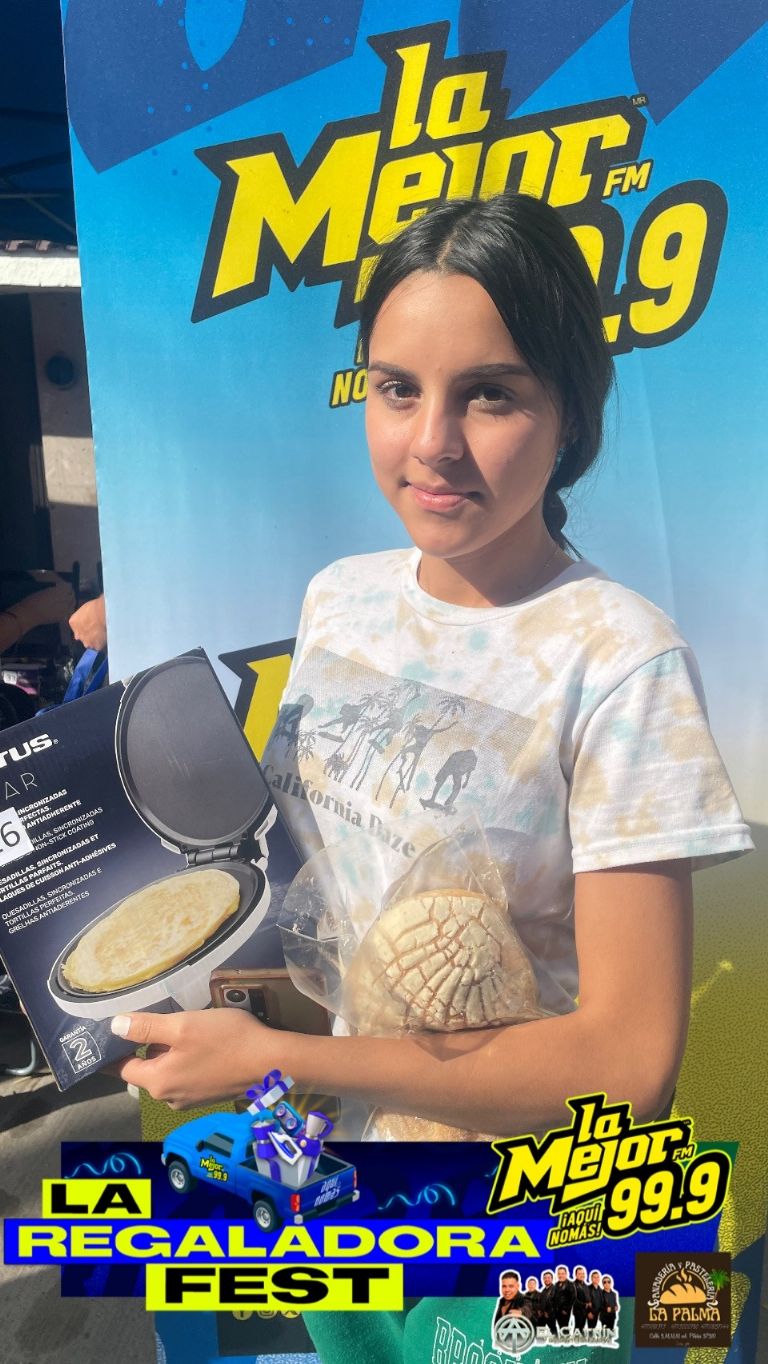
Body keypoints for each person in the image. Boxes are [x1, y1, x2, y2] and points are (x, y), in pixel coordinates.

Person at [110, 191, 752, 1137]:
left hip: (502, 1202)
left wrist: (282, 1060)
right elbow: (316, 896)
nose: (432, 444)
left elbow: (628, 1066)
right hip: (325, 1158)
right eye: (398, 388)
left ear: (571, 414)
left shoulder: (620, 658)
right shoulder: (341, 598)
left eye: (489, 393)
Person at [552, 1264, 576, 1337]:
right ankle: (562, 1340)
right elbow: (553, 1297)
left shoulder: (570, 1284)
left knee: (564, 1327)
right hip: (556, 1311)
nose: (560, 1275)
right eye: (559, 1274)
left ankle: (566, 1341)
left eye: (562, 1273)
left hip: (564, 1311)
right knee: (560, 1327)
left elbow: (573, 1297)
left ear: (566, 1274)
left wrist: (566, 1309)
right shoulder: (556, 1284)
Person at [599, 1275, 619, 1341]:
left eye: (608, 1282)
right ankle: (603, 1342)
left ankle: (609, 1342)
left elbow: (615, 1303)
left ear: (611, 1283)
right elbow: (598, 1306)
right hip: (604, 1317)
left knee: (610, 1332)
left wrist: (616, 1306)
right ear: (602, 1284)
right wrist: (605, 1309)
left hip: (612, 1316)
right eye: (604, 1282)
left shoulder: (614, 1294)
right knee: (604, 1333)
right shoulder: (600, 1294)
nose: (607, 1283)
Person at [586, 1269, 604, 1340]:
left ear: (599, 1278)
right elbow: (586, 1301)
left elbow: (601, 1302)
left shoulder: (600, 1290)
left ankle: (592, 1340)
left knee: (594, 1327)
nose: (596, 1278)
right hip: (591, 1313)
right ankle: (589, 1341)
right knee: (590, 1328)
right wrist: (588, 1312)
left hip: (597, 1312)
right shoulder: (588, 1288)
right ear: (591, 1278)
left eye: (597, 1277)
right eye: (594, 1277)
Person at [573, 1265, 590, 1338]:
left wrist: (588, 1305)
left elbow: (588, 1298)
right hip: (578, 1311)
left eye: (583, 1273)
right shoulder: (573, 1285)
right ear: (576, 1275)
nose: (582, 1275)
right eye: (579, 1273)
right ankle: (575, 1341)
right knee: (577, 1328)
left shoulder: (585, 1285)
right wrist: (584, 1305)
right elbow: (573, 1299)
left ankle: (580, 1341)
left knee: (582, 1327)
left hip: (585, 1311)